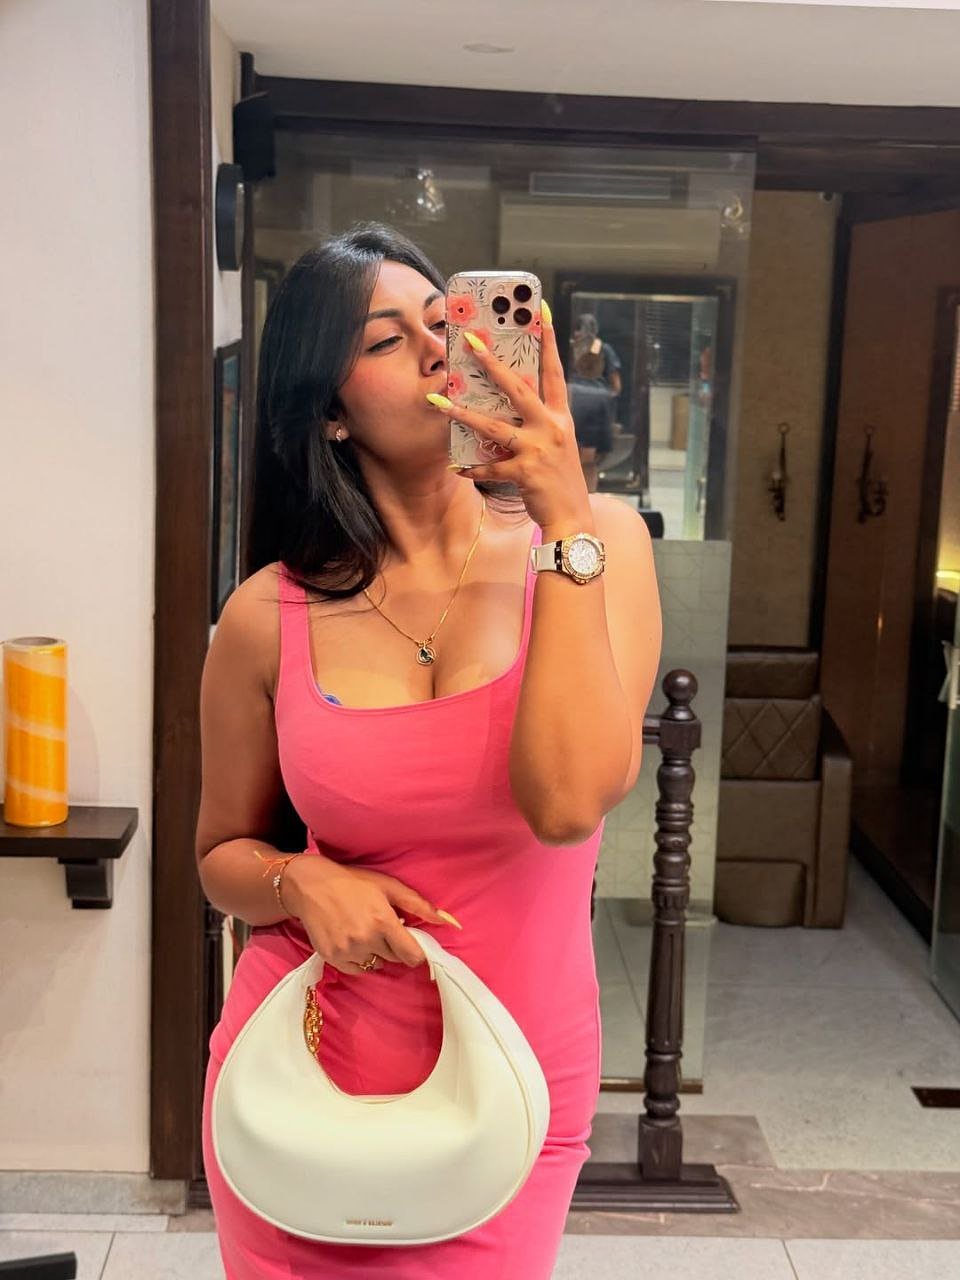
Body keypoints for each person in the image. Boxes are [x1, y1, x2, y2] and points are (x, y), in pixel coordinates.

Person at [196, 222, 662, 1279]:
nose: (439, 348)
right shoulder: (267, 614)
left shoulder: (601, 544)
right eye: (385, 338)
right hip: (301, 1069)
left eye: (445, 319)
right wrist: (299, 879)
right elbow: (221, 856)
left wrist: (562, 515)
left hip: (510, 1080)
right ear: (329, 408)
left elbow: (567, 803)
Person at [568, 314, 623, 491]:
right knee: (589, 461)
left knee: (572, 456)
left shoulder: (569, 348)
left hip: (572, 399)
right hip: (599, 403)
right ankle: (589, 497)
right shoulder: (604, 348)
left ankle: (571, 495)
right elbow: (616, 385)